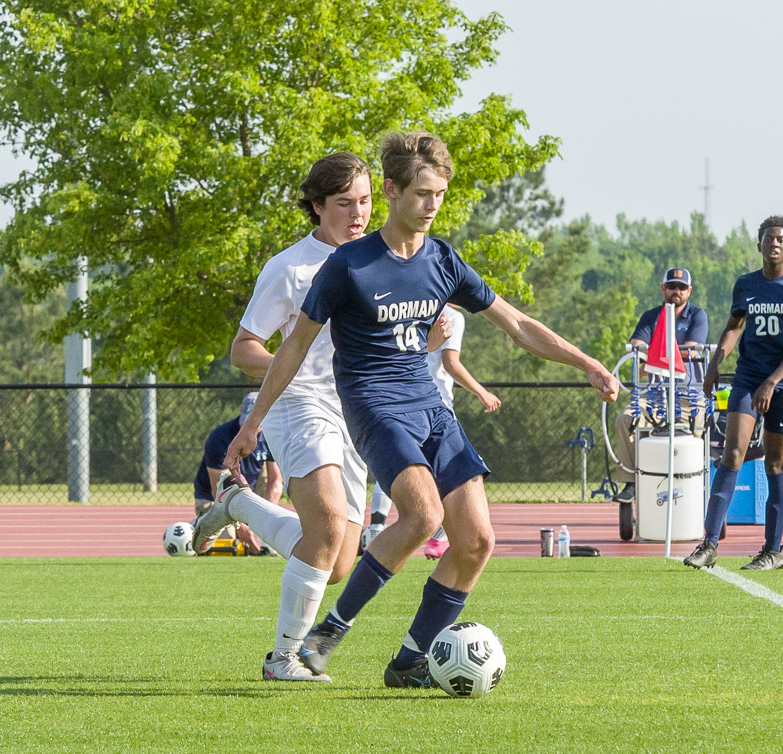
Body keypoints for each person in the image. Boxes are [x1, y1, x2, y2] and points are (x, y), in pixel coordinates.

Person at [224, 130, 618, 688]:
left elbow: (519, 324)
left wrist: (588, 364)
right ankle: (324, 637)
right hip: (371, 406)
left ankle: (409, 660)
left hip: (429, 406)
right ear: (391, 190)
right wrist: (253, 424)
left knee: (478, 540)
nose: (432, 205)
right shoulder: (349, 266)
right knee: (422, 515)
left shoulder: (443, 261)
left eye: (439, 194)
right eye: (421, 194)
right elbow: (290, 348)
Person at [193, 152, 387, 681]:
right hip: (295, 403)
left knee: (338, 560)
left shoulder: (381, 260)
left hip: (357, 411)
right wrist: (291, 370)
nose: (358, 213)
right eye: (345, 202)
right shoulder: (290, 267)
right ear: (317, 205)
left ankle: (240, 505)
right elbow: (243, 349)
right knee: (323, 529)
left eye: (366, 201)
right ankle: (282, 660)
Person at [683, 215, 783, 571]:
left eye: (780, 239)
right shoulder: (745, 285)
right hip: (747, 378)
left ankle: (773, 550)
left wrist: (772, 382)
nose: (774, 243)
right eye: (768, 238)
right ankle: (709, 544)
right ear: (758, 245)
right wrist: (714, 363)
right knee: (733, 454)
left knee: (776, 463)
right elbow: (733, 327)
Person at [366, 303, 502, 560]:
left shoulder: (404, 307)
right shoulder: (452, 317)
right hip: (434, 405)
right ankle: (438, 536)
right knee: (457, 471)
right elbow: (451, 363)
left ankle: (376, 526)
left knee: (397, 465)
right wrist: (481, 392)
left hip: (398, 402)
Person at [612, 267, 708, 502]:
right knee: (624, 420)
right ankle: (632, 481)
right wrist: (664, 355)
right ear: (663, 288)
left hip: (689, 394)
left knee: (699, 429)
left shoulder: (698, 315)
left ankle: (698, 483)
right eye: (672, 286)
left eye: (682, 287)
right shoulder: (650, 316)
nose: (677, 291)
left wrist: (654, 356)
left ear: (689, 291)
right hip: (653, 394)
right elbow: (637, 345)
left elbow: (691, 350)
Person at [192, 392, 280, 555]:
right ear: (240, 410)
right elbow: (220, 491)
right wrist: (242, 527)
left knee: (271, 546)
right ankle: (198, 523)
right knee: (228, 548)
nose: (250, 427)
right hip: (215, 501)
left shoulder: (271, 436)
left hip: (247, 496)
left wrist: (265, 518)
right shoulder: (219, 438)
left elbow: (275, 482)